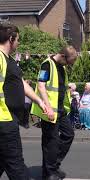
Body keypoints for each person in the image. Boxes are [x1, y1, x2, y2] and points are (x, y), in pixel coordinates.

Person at [0, 22, 47, 180]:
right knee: (17, 167)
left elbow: (20, 83)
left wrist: (40, 101)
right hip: (3, 121)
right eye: (18, 39)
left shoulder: (9, 60)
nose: (19, 43)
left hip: (9, 118)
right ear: (11, 39)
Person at [31, 45, 78, 180]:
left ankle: (52, 165)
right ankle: (49, 173)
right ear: (63, 56)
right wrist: (48, 107)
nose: (68, 65)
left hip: (60, 111)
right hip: (49, 111)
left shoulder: (62, 67)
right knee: (50, 142)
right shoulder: (47, 65)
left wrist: (69, 86)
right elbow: (41, 86)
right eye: (68, 62)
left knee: (68, 135)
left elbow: (58, 86)